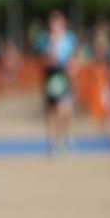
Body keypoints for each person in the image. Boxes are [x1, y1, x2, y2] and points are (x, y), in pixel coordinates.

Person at [40, 10, 77, 153]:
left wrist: (72, 68)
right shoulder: (46, 39)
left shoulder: (69, 38)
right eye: (53, 23)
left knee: (66, 110)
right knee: (53, 110)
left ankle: (64, 137)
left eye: (57, 23)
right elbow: (46, 60)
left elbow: (74, 56)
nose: (55, 26)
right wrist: (53, 46)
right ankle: (54, 141)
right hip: (52, 76)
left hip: (65, 77)